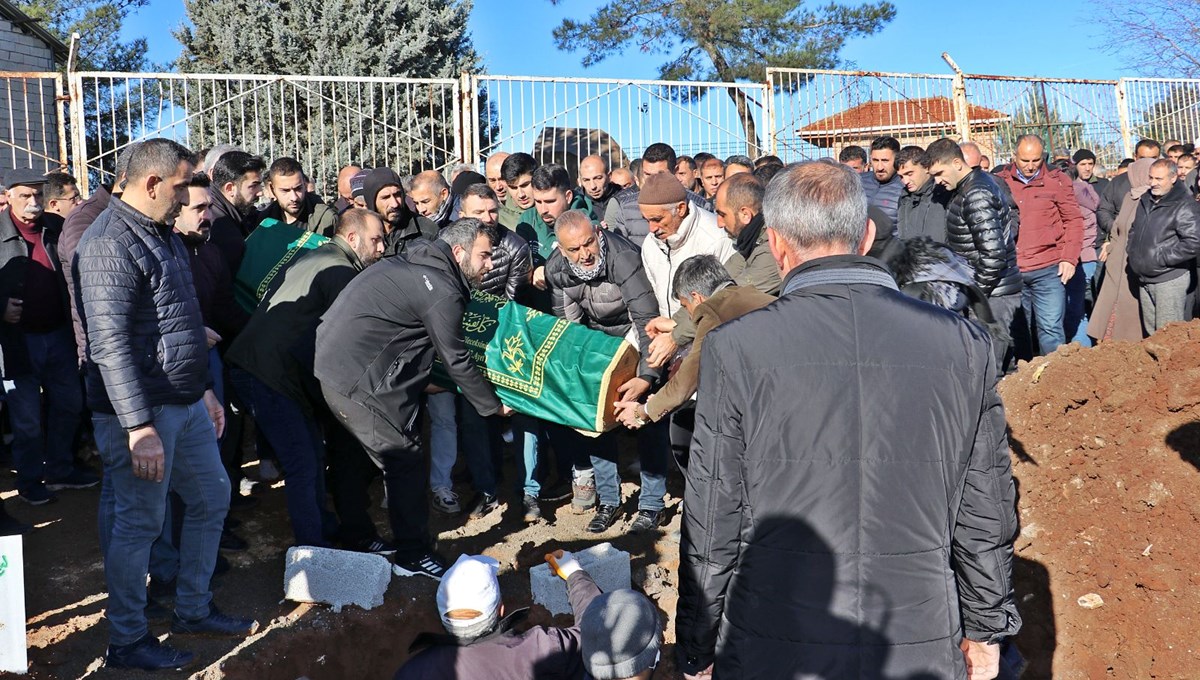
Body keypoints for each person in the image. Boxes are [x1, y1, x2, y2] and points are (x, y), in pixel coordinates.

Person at [676, 160, 1020, 679]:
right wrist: (985, 629)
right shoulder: (961, 344)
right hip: (915, 631)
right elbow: (985, 508)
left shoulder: (737, 347)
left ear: (775, 243)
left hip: (776, 636)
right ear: (864, 236)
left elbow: (712, 511)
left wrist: (697, 643)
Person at [77, 139, 257, 670]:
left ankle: (193, 609)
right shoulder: (110, 242)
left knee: (211, 497)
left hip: (182, 403)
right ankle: (128, 639)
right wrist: (138, 427)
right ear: (152, 183)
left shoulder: (162, 234)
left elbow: (177, 327)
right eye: (181, 186)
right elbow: (109, 346)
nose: (186, 198)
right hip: (140, 416)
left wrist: (201, 390)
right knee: (140, 525)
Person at [315, 218, 512, 580]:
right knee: (405, 460)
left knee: (352, 456)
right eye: (484, 256)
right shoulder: (442, 290)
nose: (489, 265)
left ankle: (357, 534)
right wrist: (492, 406)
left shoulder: (412, 259)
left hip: (333, 369)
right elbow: (456, 359)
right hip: (360, 382)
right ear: (458, 252)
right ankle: (413, 554)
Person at [227, 208, 387, 550]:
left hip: (260, 368)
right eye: (376, 240)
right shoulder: (341, 272)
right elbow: (347, 343)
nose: (382, 248)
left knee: (311, 457)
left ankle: (322, 530)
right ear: (353, 238)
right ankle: (314, 552)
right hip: (270, 375)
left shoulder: (314, 256)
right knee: (303, 463)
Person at [545, 212, 664, 533]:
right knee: (596, 418)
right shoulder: (556, 271)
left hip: (635, 335)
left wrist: (646, 376)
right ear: (560, 249)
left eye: (589, 243)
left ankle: (652, 504)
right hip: (597, 341)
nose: (585, 254)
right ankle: (609, 500)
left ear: (598, 233)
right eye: (574, 249)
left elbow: (646, 321)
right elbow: (568, 329)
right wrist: (582, 374)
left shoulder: (623, 258)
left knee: (646, 417)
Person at [394, 550, 660, 680]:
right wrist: (574, 574)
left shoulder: (412, 672)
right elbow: (596, 630)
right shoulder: (540, 649)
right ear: (501, 610)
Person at [0, 168, 95, 505]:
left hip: (58, 335)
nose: (33, 202)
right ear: (8, 196)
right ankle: (29, 481)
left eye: (38, 195)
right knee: (26, 419)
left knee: (70, 403)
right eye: (25, 195)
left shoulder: (54, 229)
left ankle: (59, 467)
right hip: (17, 344)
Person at [614, 255, 772, 452]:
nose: (689, 316)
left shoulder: (714, 311)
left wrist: (642, 412)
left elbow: (685, 383)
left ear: (696, 297)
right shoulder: (756, 296)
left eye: (685, 306)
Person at [926, 139, 1022, 368]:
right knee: (991, 363)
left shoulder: (976, 193)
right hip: (989, 291)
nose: (937, 181)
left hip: (993, 295)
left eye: (940, 173)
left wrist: (973, 295)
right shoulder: (967, 188)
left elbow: (993, 256)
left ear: (957, 163)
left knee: (988, 368)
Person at [997, 134, 1085, 356]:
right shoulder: (999, 181)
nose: (1030, 166)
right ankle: (1023, 380)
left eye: (1036, 160)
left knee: (1050, 329)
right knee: (1018, 331)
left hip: (1048, 268)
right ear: (1013, 156)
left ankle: (1053, 379)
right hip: (1013, 269)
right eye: (1025, 160)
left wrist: (1069, 258)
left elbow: (1073, 220)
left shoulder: (1057, 181)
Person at [637, 173, 734, 367]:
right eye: (646, 220)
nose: (651, 228)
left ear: (681, 209)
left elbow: (721, 305)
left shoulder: (715, 240)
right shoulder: (650, 244)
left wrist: (676, 337)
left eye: (657, 219)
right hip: (667, 345)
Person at [1126, 159, 1200, 335]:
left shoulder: (1184, 204)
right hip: (1145, 277)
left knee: (1168, 335)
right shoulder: (1146, 199)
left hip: (1169, 279)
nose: (1153, 183)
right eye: (1151, 178)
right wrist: (1133, 250)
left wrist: (1161, 258)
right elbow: (1135, 229)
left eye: (1159, 179)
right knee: (1152, 335)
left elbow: (1194, 242)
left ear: (1173, 178)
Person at [1089, 158, 1154, 342]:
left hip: (1134, 262)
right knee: (1111, 309)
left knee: (1129, 312)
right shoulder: (1130, 196)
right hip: (1117, 260)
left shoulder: (1151, 200)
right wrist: (1111, 244)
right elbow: (1117, 224)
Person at [605, 144, 711, 247]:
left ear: (675, 170)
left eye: (659, 174)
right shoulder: (625, 208)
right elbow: (622, 252)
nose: (652, 180)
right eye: (647, 174)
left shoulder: (699, 206)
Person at [712, 172, 781, 295]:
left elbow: (729, 300)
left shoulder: (772, 248)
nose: (719, 223)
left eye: (722, 215)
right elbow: (716, 283)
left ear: (745, 215)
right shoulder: (749, 243)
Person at [207, 149, 266, 272]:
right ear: (230, 188)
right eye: (253, 186)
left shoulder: (223, 212)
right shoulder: (221, 229)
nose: (260, 192)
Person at [362, 167, 438, 257]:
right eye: (385, 197)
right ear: (372, 202)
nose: (394, 204)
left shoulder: (426, 231)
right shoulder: (361, 235)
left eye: (397, 195)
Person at [1098, 139, 1161, 244]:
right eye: (1143, 158)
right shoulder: (1118, 182)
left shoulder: (1167, 182)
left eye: (1152, 158)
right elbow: (1104, 210)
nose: (1147, 163)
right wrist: (1117, 230)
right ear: (1135, 157)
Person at [1065, 170, 1100, 346]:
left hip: (1075, 260)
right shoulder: (1088, 196)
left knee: (1073, 308)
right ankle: (1084, 344)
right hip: (1088, 258)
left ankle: (1079, 346)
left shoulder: (1069, 203)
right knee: (1081, 306)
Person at [258, 157, 337, 236]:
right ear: (272, 189)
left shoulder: (327, 219)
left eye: (298, 188)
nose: (294, 197)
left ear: (305, 184)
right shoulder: (263, 222)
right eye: (285, 190)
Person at [896, 145, 951, 242]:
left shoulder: (944, 193)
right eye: (901, 176)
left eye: (909, 174)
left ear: (926, 167)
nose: (905, 181)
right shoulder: (904, 198)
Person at [859, 135, 904, 228]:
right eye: (875, 160)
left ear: (897, 160)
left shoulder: (906, 187)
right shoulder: (858, 182)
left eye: (885, 160)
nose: (880, 167)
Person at [578, 154, 622, 218]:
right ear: (580, 181)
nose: (593, 186)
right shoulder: (575, 202)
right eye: (586, 180)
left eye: (598, 178)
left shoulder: (624, 198)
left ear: (609, 176)